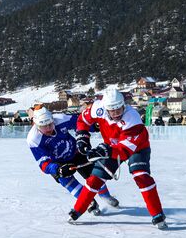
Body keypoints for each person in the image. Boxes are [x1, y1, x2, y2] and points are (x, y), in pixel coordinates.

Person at [69, 87, 167, 229]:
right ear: (105, 108)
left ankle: (157, 214)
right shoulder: (97, 108)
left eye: (119, 109)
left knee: (141, 176)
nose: (116, 113)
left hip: (137, 148)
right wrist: (82, 138)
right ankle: (77, 210)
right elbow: (82, 121)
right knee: (94, 179)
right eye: (112, 110)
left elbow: (124, 151)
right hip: (111, 146)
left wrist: (104, 151)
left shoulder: (133, 120)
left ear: (123, 105)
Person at [27, 107, 119, 217]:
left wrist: (94, 126)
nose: (48, 128)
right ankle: (90, 203)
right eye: (43, 126)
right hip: (58, 163)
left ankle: (105, 196)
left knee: (94, 175)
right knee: (67, 182)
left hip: (75, 153)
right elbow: (43, 164)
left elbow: (80, 123)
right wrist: (57, 169)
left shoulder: (60, 119)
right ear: (36, 125)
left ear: (52, 120)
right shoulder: (33, 139)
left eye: (50, 124)